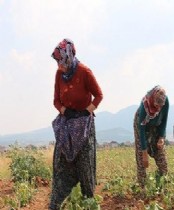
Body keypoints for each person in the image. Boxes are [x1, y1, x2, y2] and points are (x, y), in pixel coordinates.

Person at [49, 38, 103, 210]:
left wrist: (87, 110)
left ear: (69, 56)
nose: (59, 65)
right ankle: (56, 203)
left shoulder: (84, 71)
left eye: (61, 61)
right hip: (66, 123)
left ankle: (88, 202)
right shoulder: (59, 74)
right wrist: (66, 111)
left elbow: (99, 95)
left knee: (85, 164)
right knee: (60, 162)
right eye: (57, 61)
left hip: (84, 124)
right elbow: (56, 101)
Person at [133, 85, 169, 188]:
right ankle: (142, 186)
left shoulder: (165, 102)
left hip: (156, 125)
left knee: (161, 153)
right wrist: (144, 152)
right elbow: (142, 130)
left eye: (160, 106)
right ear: (152, 99)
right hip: (142, 125)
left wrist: (161, 137)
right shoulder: (144, 106)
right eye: (156, 105)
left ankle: (162, 184)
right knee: (141, 158)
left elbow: (164, 119)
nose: (158, 108)